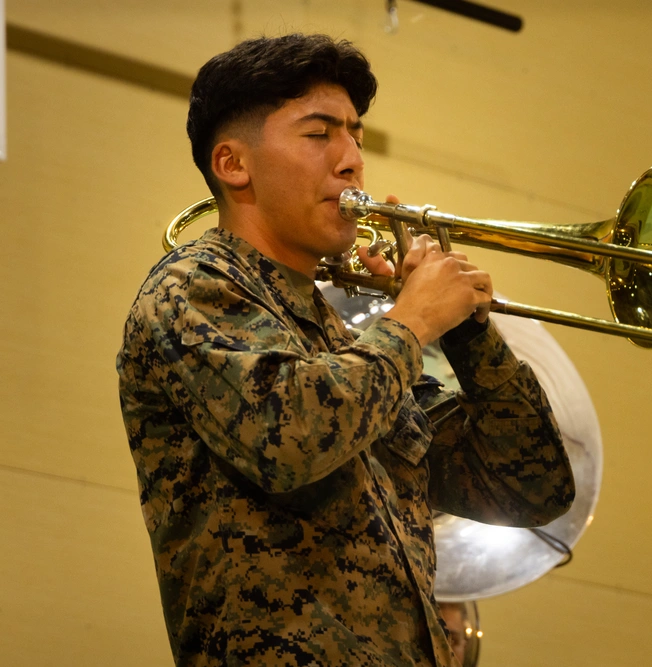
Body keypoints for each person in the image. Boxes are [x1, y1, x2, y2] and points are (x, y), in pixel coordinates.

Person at [116, 33, 575, 667]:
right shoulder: (192, 287)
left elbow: (530, 490)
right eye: (319, 133)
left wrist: (467, 328)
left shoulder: (347, 345)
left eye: (355, 134)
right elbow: (291, 437)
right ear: (233, 164)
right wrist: (411, 322)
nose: (353, 158)